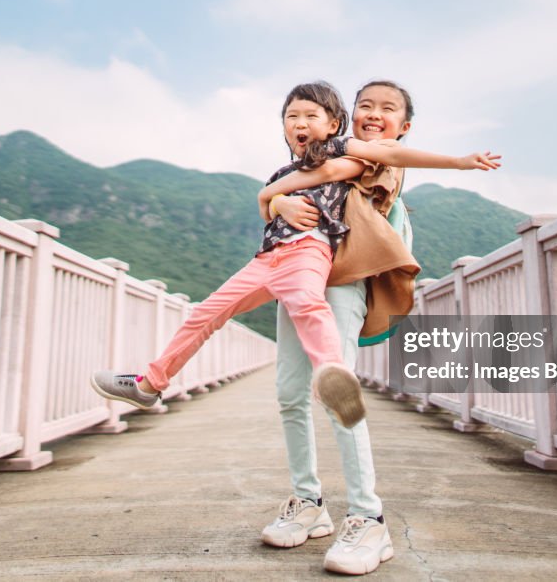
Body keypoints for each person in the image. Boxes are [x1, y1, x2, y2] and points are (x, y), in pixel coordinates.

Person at [91, 80, 499, 432]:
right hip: (267, 258)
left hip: (309, 249)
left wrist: (459, 163)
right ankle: (150, 384)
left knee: (308, 304)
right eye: (291, 117)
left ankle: (332, 378)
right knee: (205, 313)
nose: (300, 124)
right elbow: (266, 209)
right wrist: (274, 199)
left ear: (334, 124)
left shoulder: (344, 151)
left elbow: (389, 154)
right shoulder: (280, 173)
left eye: (310, 116)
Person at [255, 80, 500, 575]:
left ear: (403, 127)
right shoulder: (323, 153)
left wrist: (270, 193)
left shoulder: (383, 156)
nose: (374, 113)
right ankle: (308, 503)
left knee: (336, 392)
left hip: (343, 282)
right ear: (348, 115)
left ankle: (369, 516)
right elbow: (309, 181)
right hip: (297, 275)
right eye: (365, 105)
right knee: (288, 393)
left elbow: (332, 169)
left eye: (387, 109)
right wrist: (276, 202)